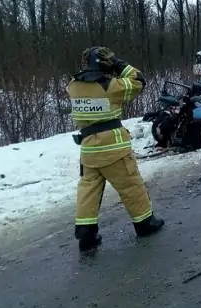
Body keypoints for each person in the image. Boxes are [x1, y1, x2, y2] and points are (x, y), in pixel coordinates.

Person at [67, 47, 164, 252]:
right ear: (105, 64)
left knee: (88, 191)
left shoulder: (73, 86)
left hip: (88, 149)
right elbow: (139, 80)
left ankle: (86, 235)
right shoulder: (111, 86)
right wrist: (118, 64)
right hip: (114, 149)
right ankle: (145, 224)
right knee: (131, 186)